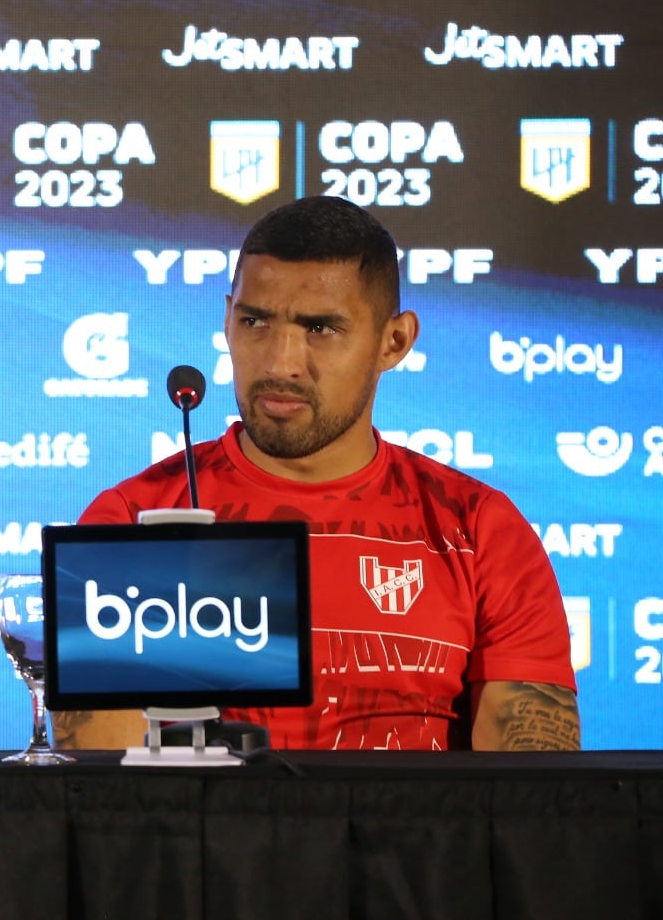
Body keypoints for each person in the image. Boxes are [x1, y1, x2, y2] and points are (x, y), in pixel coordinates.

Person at [56, 196, 579, 752]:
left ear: (394, 341)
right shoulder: (137, 521)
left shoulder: (478, 530)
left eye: (321, 329)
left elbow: (530, 795)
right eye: (254, 321)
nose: (280, 362)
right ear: (226, 319)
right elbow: (103, 790)